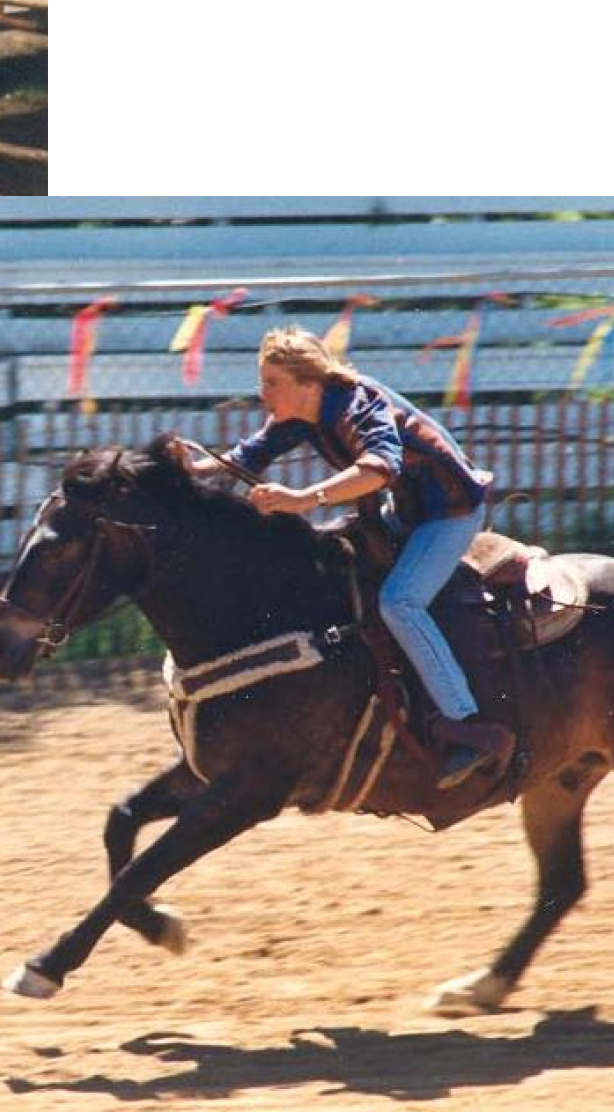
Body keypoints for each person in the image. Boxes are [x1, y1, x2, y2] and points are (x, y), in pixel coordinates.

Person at [199, 326, 514, 790]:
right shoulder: (299, 415)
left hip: (450, 514)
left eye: (272, 382)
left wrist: (304, 498)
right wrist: (185, 465)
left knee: (399, 603)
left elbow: (379, 466)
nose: (262, 392)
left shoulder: (357, 404)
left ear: (307, 382)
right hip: (406, 515)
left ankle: (468, 725)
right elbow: (247, 457)